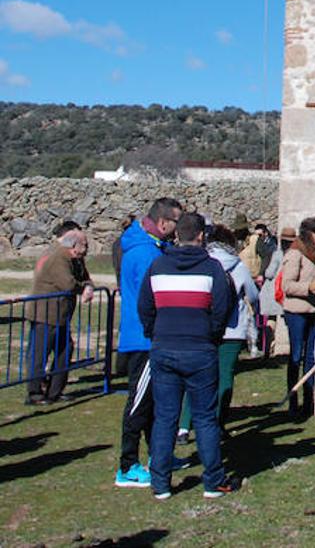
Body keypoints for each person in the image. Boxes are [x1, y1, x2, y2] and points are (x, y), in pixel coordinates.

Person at [137, 212, 239, 500]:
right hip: (200, 349)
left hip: (164, 347)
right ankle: (213, 481)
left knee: (165, 417)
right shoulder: (212, 269)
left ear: (176, 235)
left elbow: (145, 306)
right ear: (201, 236)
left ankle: (160, 483)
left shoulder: (158, 267)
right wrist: (211, 336)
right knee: (205, 418)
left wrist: (155, 333)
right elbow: (222, 308)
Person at [115, 197, 183, 489]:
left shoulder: (155, 249)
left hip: (152, 336)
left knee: (154, 402)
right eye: (176, 223)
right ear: (163, 222)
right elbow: (154, 297)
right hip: (144, 338)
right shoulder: (145, 255)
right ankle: (128, 465)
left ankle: (158, 456)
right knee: (139, 403)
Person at [177, 225, 259, 443]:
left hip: (203, 326)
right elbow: (253, 294)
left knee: (195, 376)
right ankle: (217, 423)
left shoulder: (201, 263)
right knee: (224, 377)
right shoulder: (238, 266)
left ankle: (184, 425)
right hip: (232, 328)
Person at [25, 229, 94, 404]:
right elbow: (67, 284)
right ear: (73, 245)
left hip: (61, 314)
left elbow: (85, 277)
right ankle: (34, 393)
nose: (86, 248)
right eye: (84, 244)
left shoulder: (75, 259)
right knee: (40, 353)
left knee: (65, 350)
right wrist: (83, 288)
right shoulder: (59, 257)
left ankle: (55, 390)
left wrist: (88, 286)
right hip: (45, 313)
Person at [280, 217, 315, 417]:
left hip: (314, 311)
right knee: (296, 356)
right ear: (308, 234)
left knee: (312, 358)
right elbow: (287, 285)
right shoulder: (296, 253)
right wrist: (310, 287)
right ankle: (293, 403)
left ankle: (310, 402)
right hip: (296, 312)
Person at [256, 226, 288, 357]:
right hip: (283, 291)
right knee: (280, 320)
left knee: (272, 320)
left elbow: (269, 273)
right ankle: (278, 349)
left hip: (273, 291)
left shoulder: (277, 254)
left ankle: (269, 349)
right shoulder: (293, 255)